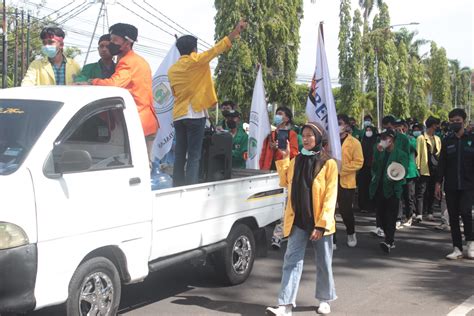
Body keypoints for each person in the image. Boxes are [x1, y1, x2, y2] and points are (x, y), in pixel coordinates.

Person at [265, 122, 338, 316]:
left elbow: (331, 198)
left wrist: (321, 225)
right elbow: (284, 181)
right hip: (298, 220)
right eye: (303, 136)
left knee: (323, 261)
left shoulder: (328, 163)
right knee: (291, 260)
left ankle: (324, 299)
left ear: (318, 138)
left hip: (320, 223)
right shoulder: (297, 160)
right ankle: (285, 305)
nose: (305, 139)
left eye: (309, 135)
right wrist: (284, 156)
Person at [168, 20, 247, 186]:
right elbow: (217, 48)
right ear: (194, 49)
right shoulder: (197, 61)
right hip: (195, 114)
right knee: (194, 155)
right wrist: (235, 32)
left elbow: (175, 93)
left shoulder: (172, 70)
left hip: (178, 115)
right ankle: (190, 189)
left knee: (180, 154)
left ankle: (177, 186)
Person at [90, 23, 158, 158]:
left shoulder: (127, 62)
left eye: (115, 40)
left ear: (127, 43)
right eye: (111, 39)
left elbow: (114, 84)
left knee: (137, 166)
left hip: (137, 122)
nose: (111, 44)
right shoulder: (139, 60)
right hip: (146, 120)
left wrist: (91, 82)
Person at [435, 108, 474, 260]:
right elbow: (442, 164)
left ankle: (470, 243)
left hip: (468, 185)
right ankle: (456, 248)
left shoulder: (471, 139)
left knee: (465, 212)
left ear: (464, 121)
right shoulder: (447, 140)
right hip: (451, 185)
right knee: (453, 217)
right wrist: (438, 183)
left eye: (457, 121)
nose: (455, 123)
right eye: (452, 121)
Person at [369, 129, 408, 253]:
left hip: (393, 189)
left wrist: (394, 178)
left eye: (385, 138)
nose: (383, 141)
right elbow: (374, 167)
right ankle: (388, 237)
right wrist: (378, 154)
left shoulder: (401, 154)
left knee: (390, 216)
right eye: (382, 138)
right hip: (380, 187)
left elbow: (403, 171)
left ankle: (389, 241)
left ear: (391, 140)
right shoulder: (379, 151)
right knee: (381, 215)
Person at [334, 114, 363, 248]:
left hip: (346, 181)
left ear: (346, 125)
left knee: (346, 211)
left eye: (340, 123)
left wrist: (342, 169)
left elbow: (359, 162)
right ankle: (331, 238)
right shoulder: (330, 140)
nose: (338, 125)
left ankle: (351, 233)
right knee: (329, 211)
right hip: (331, 180)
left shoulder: (354, 142)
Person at [415, 116, 441, 222]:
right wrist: (417, 167)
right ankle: (419, 213)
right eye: (435, 125)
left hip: (435, 168)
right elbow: (418, 154)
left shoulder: (437, 139)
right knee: (421, 191)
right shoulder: (421, 138)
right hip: (424, 168)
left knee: (431, 191)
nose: (437, 127)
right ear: (432, 125)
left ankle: (430, 212)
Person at [260, 106, 299, 171]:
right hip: (267, 170)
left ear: (287, 119)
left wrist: (279, 148)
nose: (277, 116)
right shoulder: (269, 134)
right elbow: (263, 154)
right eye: (276, 114)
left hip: (283, 170)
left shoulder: (291, 134)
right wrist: (261, 168)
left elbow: (294, 154)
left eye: (280, 114)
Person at [357, 125, 377, 213]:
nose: (368, 132)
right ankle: (363, 206)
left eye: (370, 130)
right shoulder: (362, 142)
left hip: (372, 168)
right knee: (362, 187)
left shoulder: (376, 142)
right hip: (362, 168)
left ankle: (371, 206)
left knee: (371, 187)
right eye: (367, 130)